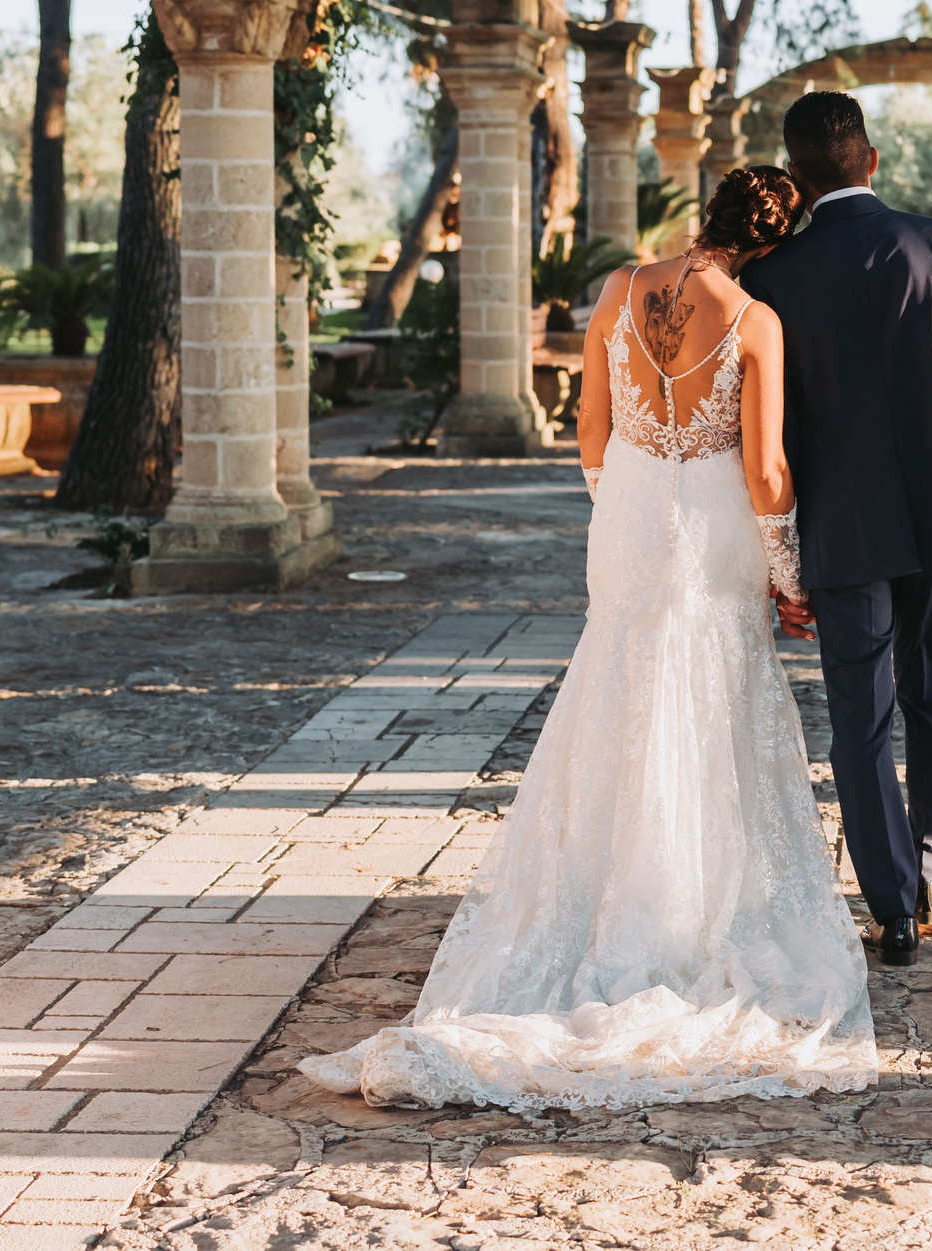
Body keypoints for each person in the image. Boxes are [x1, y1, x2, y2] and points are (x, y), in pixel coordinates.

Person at [300, 165, 876, 1111]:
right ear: (768, 244)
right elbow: (767, 468)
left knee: (617, 691)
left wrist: (627, 513)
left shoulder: (620, 289)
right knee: (709, 701)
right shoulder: (756, 321)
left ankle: (597, 888)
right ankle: (681, 910)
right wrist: (789, 571)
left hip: (630, 522)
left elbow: (591, 430)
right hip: (715, 532)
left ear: (710, 216)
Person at [742, 91, 932, 968]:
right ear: (870, 158)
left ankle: (893, 906)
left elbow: (766, 429)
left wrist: (774, 554)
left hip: (838, 525)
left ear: (797, 177)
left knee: (858, 716)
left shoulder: (771, 276)